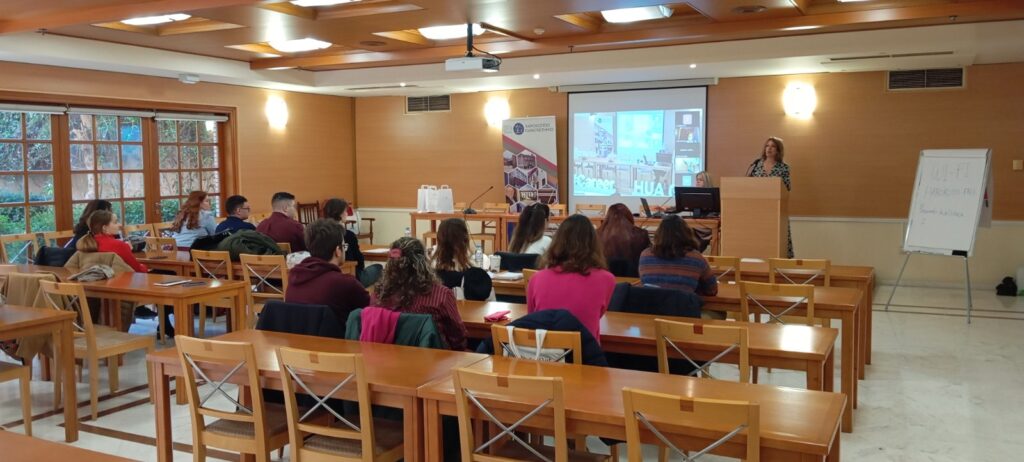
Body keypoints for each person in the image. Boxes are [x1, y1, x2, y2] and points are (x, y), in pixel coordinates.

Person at [527, 214, 615, 342]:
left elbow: (531, 320)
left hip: (544, 351)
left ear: (557, 241)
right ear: (594, 244)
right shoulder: (607, 280)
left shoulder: (536, 278)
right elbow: (596, 315)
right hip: (586, 351)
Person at [371, 237, 468, 351]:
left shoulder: (378, 295)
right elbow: (458, 337)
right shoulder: (441, 295)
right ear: (423, 262)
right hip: (432, 359)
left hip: (386, 358)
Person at [285, 219, 370, 329]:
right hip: (335, 339)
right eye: (344, 246)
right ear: (338, 251)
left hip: (296, 338)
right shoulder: (345, 282)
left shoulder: (294, 276)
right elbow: (371, 310)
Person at [638, 215, 717, 296]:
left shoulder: (645, 256)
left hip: (652, 303)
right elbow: (712, 290)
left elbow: (645, 283)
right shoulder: (696, 258)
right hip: (683, 303)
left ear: (658, 233)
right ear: (687, 233)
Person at [747, 136, 793, 257]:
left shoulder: (784, 168)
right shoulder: (756, 166)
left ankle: (779, 263)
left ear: (778, 150)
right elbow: (749, 186)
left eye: (773, 146)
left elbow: (787, 189)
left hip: (776, 211)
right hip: (759, 210)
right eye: (767, 146)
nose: (769, 148)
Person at [76, 210, 148, 273]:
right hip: (122, 282)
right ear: (104, 228)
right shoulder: (120, 245)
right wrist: (146, 267)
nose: (119, 225)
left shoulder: (86, 244)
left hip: (94, 282)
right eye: (115, 222)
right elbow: (138, 270)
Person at [596, 203, 651, 277]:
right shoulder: (642, 234)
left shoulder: (597, 234)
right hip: (634, 278)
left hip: (605, 277)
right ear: (629, 215)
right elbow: (648, 257)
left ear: (608, 217)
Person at [321, 198, 365, 276]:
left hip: (325, 273)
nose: (347, 214)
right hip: (350, 272)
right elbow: (360, 261)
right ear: (340, 214)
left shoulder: (320, 233)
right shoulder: (348, 235)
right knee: (378, 267)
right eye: (345, 211)